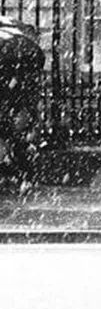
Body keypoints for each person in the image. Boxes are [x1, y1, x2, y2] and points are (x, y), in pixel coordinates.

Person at [0, 27, 44, 193]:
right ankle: (18, 176)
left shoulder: (16, 60)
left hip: (13, 106)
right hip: (13, 106)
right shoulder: (24, 57)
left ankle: (20, 176)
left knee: (13, 140)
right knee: (14, 141)